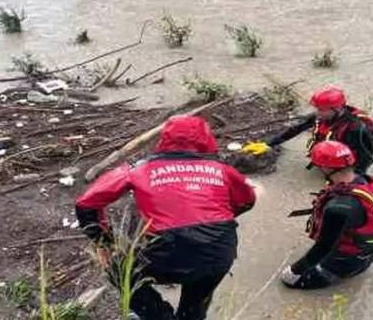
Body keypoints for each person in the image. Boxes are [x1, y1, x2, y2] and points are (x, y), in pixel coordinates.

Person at [75, 115, 257, 320]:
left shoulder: (138, 168)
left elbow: (86, 202)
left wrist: (105, 243)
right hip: (218, 250)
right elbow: (247, 200)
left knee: (118, 270)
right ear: (206, 139)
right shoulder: (222, 170)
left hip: (167, 251)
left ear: (165, 139)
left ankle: (157, 315)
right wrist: (216, 216)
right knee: (196, 302)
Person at [280, 141, 373, 289]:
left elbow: (323, 248)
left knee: (289, 282)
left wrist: (294, 271)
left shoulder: (338, 208)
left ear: (325, 168)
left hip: (345, 263)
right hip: (368, 253)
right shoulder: (370, 182)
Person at [244, 85, 373, 174]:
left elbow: (369, 157)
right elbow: (296, 129)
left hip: (345, 168)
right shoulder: (323, 116)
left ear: (336, 109)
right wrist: (269, 144)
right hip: (329, 164)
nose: (317, 112)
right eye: (317, 109)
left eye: (321, 109)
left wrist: (352, 179)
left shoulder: (357, 128)